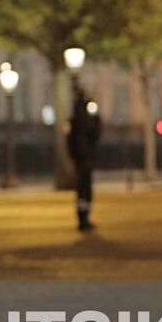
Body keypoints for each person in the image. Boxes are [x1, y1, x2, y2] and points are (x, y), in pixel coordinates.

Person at [67, 86, 102, 231]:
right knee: (85, 191)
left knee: (82, 191)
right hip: (85, 160)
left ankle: (83, 218)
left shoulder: (74, 121)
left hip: (80, 160)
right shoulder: (84, 120)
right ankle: (84, 219)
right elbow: (94, 135)